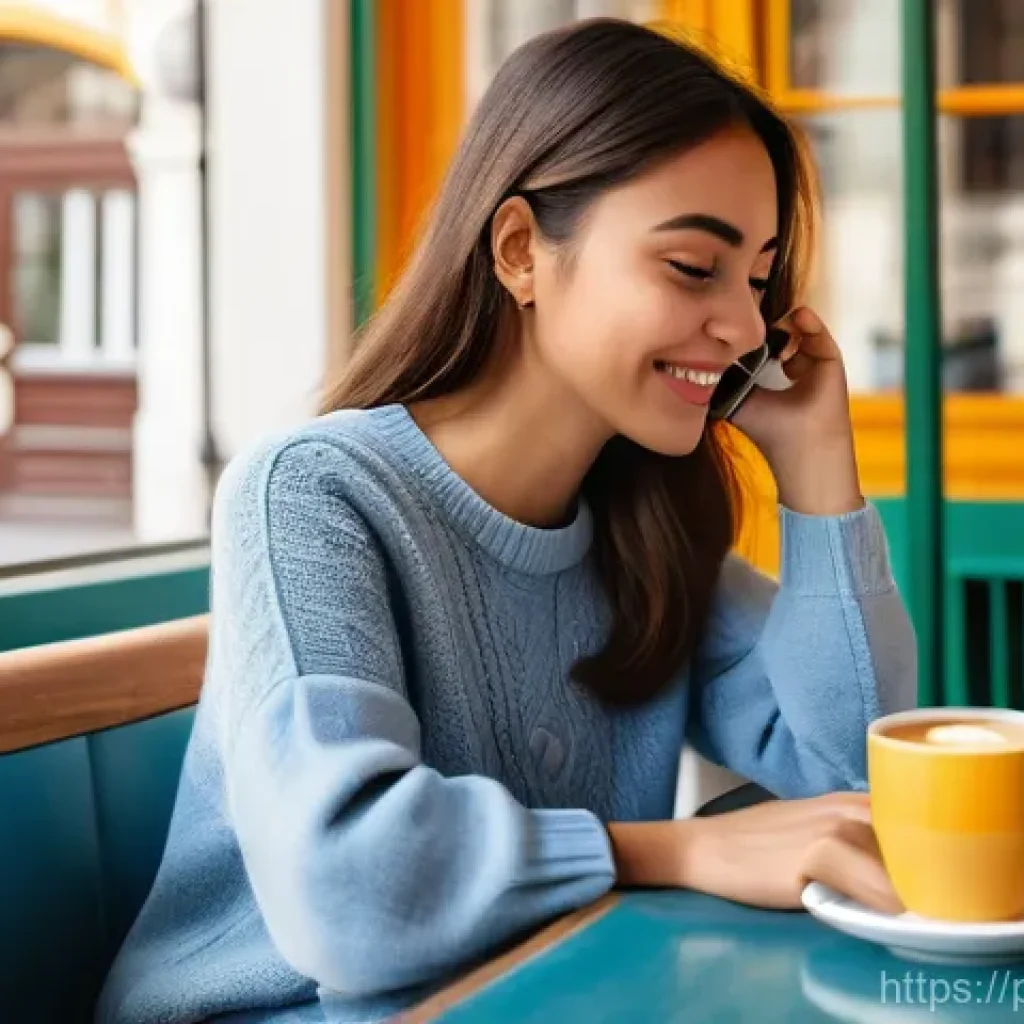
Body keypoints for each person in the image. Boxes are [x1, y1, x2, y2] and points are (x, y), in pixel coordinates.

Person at [97, 17, 917, 1024]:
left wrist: (818, 466)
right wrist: (676, 850)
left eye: (757, 279)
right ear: (522, 250)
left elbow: (855, 778)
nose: (748, 326)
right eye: (691, 267)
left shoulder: (647, 534)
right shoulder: (312, 495)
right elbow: (343, 887)